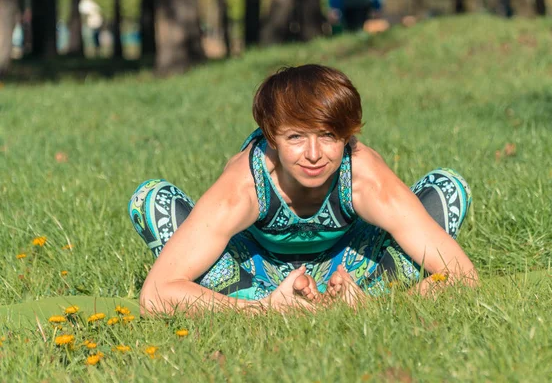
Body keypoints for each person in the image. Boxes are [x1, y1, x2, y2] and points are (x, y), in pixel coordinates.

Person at [129, 64, 478, 315]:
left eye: (327, 136)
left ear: (346, 135)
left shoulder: (364, 177)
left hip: (353, 270)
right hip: (253, 274)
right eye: (295, 137)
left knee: (448, 188)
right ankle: (276, 299)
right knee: (152, 199)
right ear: (271, 137)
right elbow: (157, 294)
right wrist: (262, 310)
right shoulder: (244, 186)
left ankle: (360, 294)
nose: (313, 155)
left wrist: (375, 306)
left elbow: (463, 275)